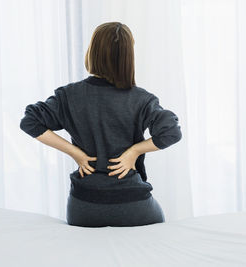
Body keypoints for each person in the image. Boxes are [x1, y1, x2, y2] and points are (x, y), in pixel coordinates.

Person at [19, 22, 182, 227]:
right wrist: (135, 151)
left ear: (92, 53)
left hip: (83, 207)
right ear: (128, 58)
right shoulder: (141, 99)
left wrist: (75, 153)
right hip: (132, 204)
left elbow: (30, 121)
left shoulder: (69, 95)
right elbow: (171, 132)